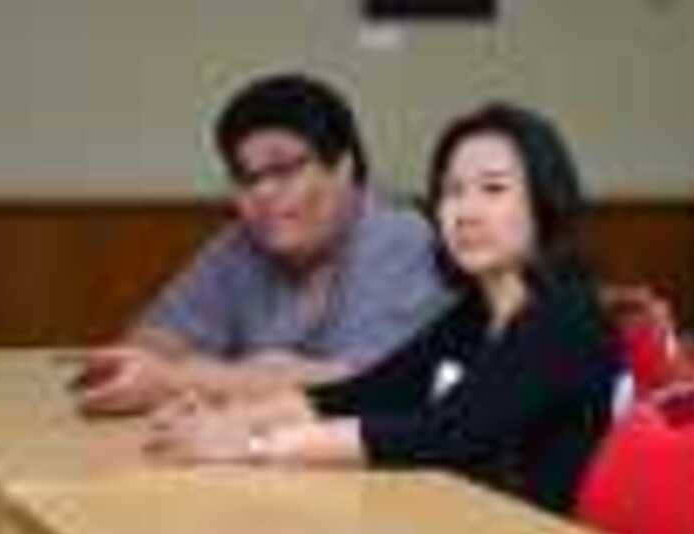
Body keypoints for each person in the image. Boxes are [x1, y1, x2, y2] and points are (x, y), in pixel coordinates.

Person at [144, 103, 625, 513]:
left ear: (543, 199)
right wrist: (234, 421)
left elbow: (443, 433)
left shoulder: (565, 318)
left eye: (493, 189)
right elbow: (364, 393)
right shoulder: (476, 312)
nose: (466, 212)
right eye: (452, 192)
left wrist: (253, 446)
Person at [75, 73, 447, 415]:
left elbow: (362, 386)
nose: (263, 193)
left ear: (343, 168)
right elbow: (151, 342)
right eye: (244, 178)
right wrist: (237, 376)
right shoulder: (241, 243)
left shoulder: (400, 237)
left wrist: (185, 379)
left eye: (284, 170)